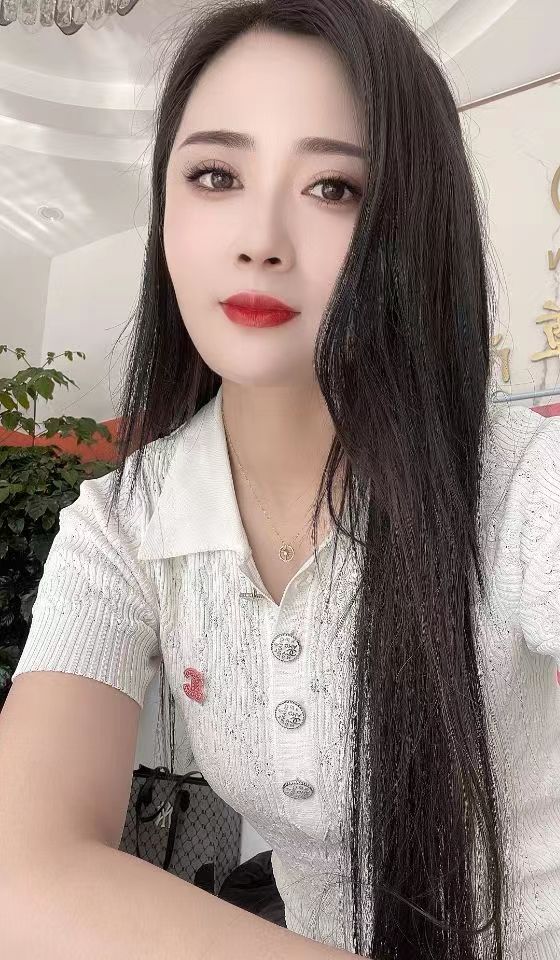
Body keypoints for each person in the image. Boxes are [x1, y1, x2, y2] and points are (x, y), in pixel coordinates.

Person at [1, 0, 559, 958]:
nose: (260, 238)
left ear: (408, 228)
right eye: (215, 175)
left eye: (334, 187)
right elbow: (21, 866)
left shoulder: (517, 483)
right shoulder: (122, 523)